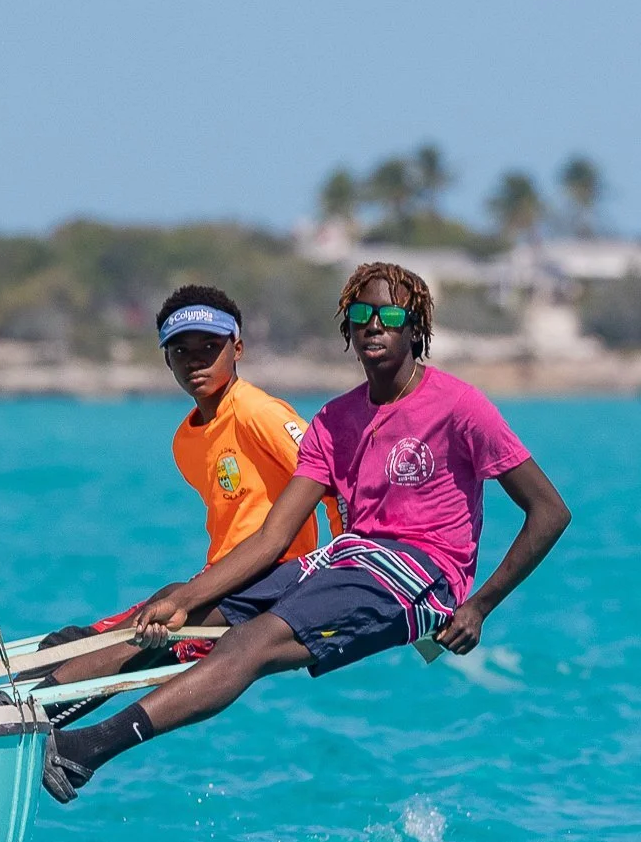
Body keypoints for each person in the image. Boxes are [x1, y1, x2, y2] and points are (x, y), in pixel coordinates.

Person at [42, 262, 571, 802]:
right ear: (347, 328)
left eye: (389, 315)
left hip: (422, 576)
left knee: (252, 642)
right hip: (349, 557)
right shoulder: (334, 420)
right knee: (182, 616)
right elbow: (274, 537)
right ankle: (35, 711)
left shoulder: (460, 406)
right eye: (360, 315)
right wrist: (186, 599)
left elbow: (549, 511)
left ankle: (86, 751)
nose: (373, 325)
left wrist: (478, 606)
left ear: (415, 327)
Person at [36, 285, 341, 712]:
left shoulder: (259, 412)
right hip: (223, 575)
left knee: (146, 641)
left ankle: (36, 711)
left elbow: (336, 480)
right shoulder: (185, 440)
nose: (195, 360)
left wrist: (347, 569)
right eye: (181, 351)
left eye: (209, 347)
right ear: (166, 359)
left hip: (274, 578)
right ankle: (52, 678)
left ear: (237, 349)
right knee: (87, 641)